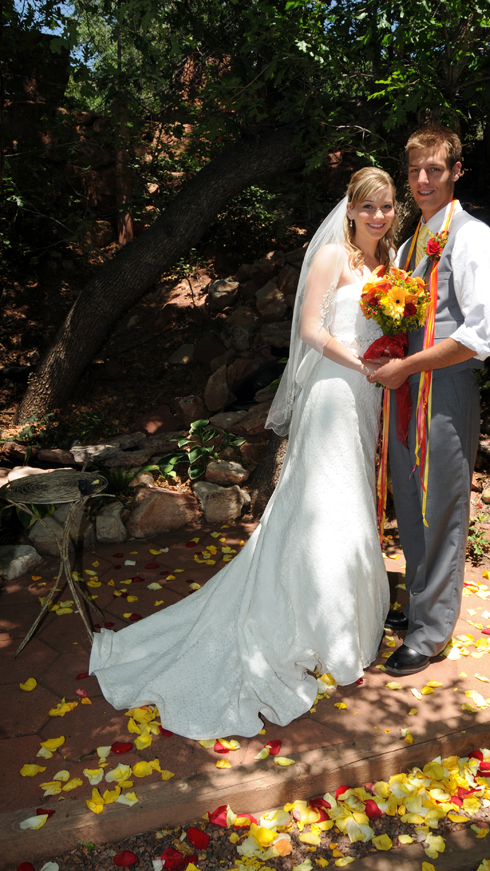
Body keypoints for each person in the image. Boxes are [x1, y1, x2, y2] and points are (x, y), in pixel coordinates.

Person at [89, 167, 397, 739]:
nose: (378, 216)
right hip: (334, 388)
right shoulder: (333, 255)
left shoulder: (389, 265)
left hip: (370, 394)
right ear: (351, 209)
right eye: (368, 206)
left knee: (351, 496)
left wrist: (389, 360)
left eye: (386, 206)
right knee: (324, 498)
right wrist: (364, 364)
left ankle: (344, 621)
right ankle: (318, 624)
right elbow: (309, 329)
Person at [368, 125, 490, 676]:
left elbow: (481, 333)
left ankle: (430, 634)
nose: (423, 180)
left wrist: (407, 367)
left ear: (455, 173)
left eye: (435, 170)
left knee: (442, 506)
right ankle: (419, 603)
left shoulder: (472, 237)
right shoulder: (408, 245)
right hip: (406, 391)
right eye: (415, 171)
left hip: (445, 387)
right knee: (410, 500)